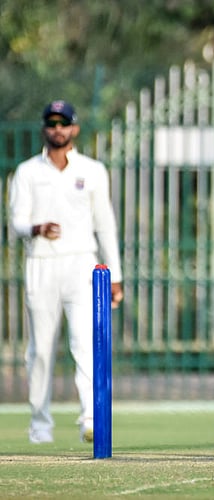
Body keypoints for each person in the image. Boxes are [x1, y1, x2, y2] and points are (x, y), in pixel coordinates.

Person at [7, 100, 124, 444]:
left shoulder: (92, 170)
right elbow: (15, 223)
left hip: (81, 265)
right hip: (41, 264)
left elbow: (105, 225)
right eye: (51, 123)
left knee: (84, 343)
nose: (58, 129)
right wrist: (36, 228)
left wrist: (114, 275)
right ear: (44, 127)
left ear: (74, 128)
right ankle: (40, 426)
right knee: (40, 350)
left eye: (64, 123)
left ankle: (90, 416)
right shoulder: (27, 172)